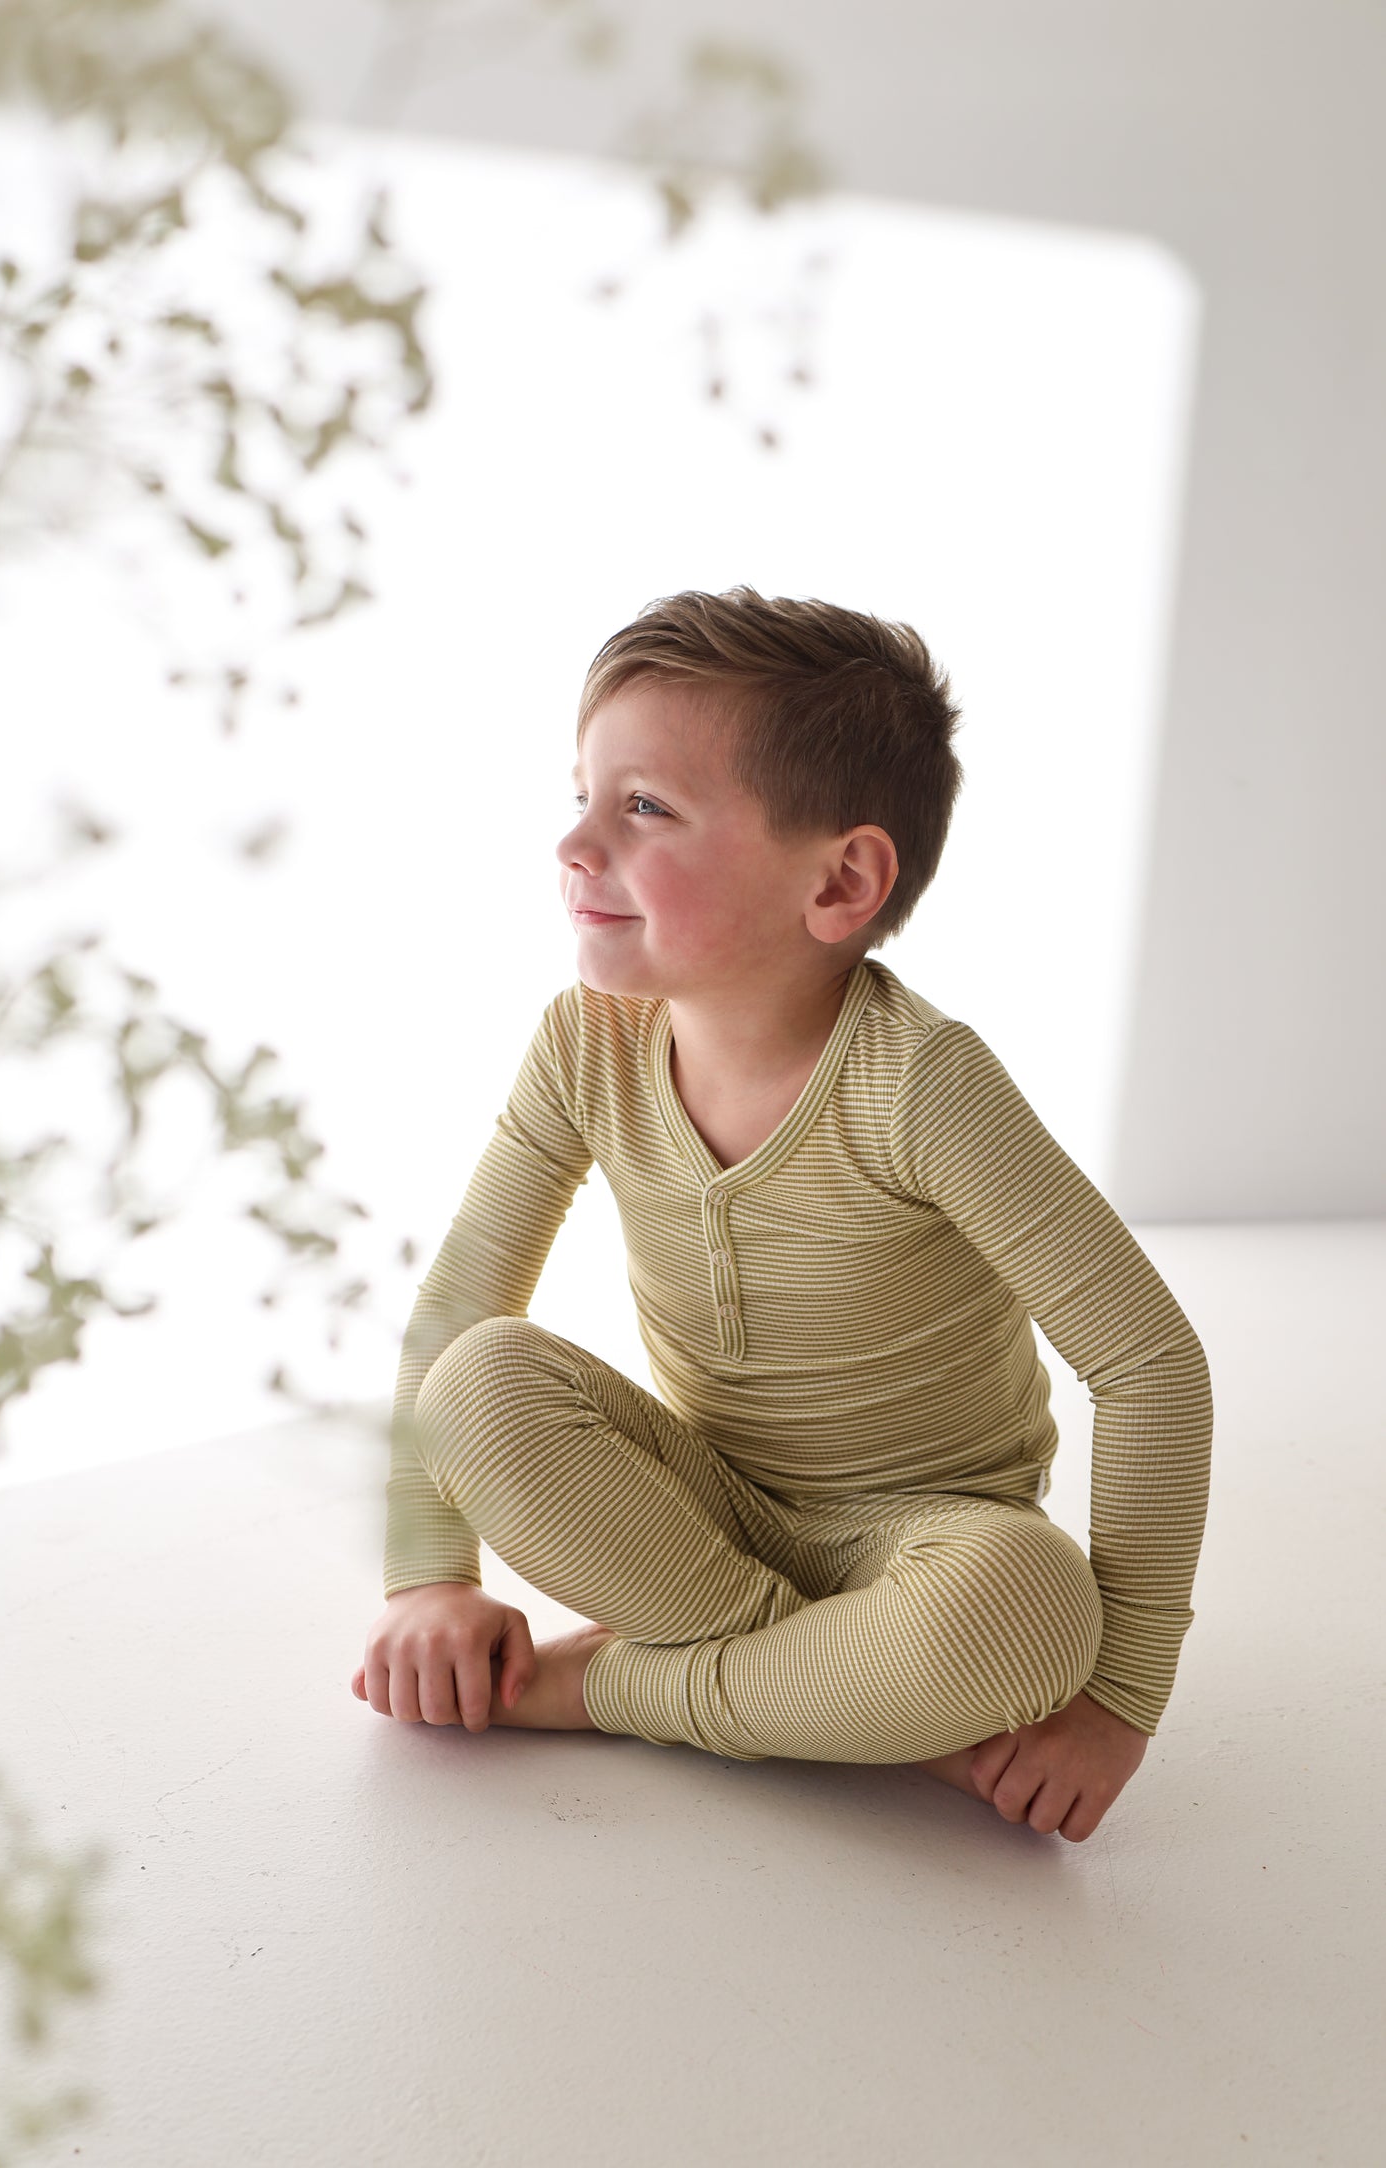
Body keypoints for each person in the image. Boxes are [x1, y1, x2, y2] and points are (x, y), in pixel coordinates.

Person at [352, 584, 1212, 1843]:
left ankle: (604, 1686)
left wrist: (1119, 1699)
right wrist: (427, 1576)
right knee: (478, 1379)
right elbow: (460, 1308)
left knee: (1029, 1609)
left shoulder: (921, 1083)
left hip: (925, 1539)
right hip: (689, 1511)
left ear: (842, 881)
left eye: (643, 807)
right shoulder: (584, 1041)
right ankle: (842, 1703)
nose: (576, 844)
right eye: (580, 796)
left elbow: (1148, 1367)